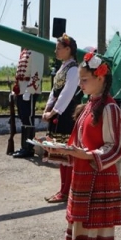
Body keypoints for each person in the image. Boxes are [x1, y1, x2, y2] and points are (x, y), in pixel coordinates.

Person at [45, 52, 121, 240]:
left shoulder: (109, 108)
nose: (80, 84)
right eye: (79, 80)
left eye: (84, 80)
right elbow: (78, 143)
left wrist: (88, 155)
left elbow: (116, 147)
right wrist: (58, 148)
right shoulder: (89, 106)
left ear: (100, 77)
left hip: (100, 181)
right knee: (92, 239)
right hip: (85, 178)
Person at [42, 33, 82, 203]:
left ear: (68, 49)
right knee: (61, 155)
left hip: (67, 115)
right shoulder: (63, 67)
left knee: (66, 154)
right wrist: (48, 107)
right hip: (59, 113)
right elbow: (55, 91)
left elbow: (67, 94)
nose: (56, 51)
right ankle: (63, 190)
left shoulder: (73, 69)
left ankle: (67, 191)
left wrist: (53, 111)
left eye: (59, 48)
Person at [11, 24, 45, 158]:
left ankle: (28, 148)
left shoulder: (36, 51)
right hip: (22, 89)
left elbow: (37, 74)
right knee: (23, 118)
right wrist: (17, 88)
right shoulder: (26, 51)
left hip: (29, 90)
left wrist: (29, 90)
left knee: (28, 118)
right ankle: (24, 146)